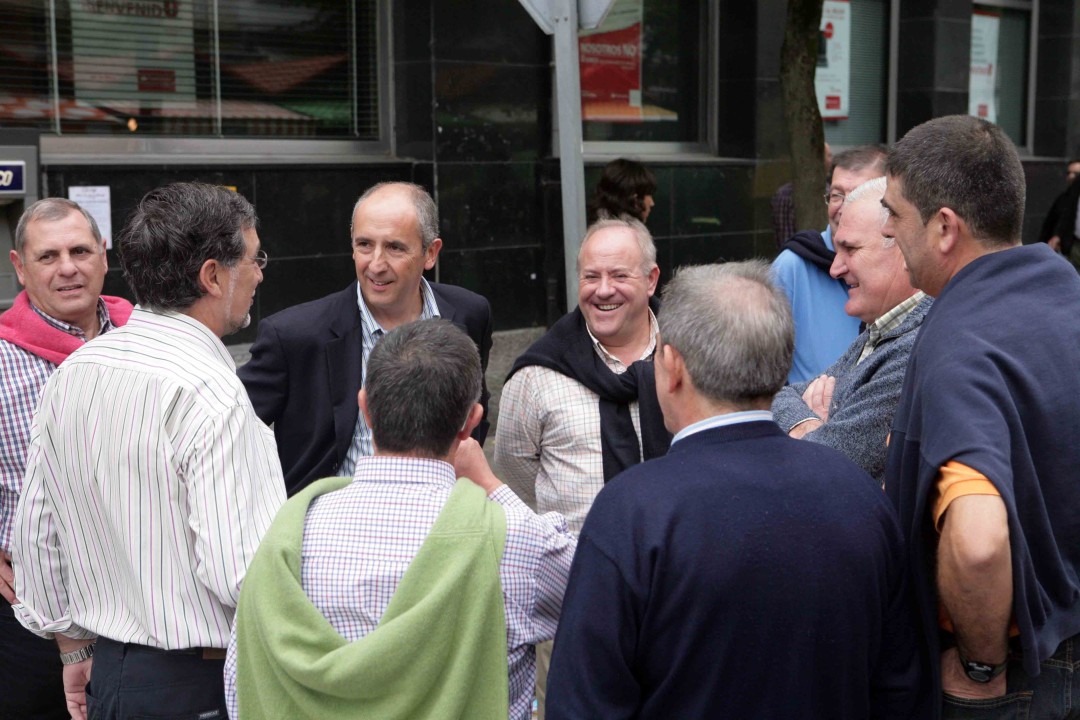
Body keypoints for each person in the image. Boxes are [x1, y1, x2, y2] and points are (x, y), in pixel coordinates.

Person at [546, 261, 926, 719]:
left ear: (672, 366)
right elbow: (901, 688)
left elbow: (582, 703)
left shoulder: (632, 512)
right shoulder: (862, 498)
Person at [10, 183, 286, 720]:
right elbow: (242, 572)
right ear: (212, 276)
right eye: (254, 259)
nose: (258, 274)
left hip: (112, 673)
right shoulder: (211, 390)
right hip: (200, 683)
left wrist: (75, 645)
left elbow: (39, 538)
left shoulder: (76, 370)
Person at [226, 318, 576, 720]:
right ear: (471, 421)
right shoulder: (513, 540)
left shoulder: (286, 539)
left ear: (365, 408)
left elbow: (241, 685)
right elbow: (593, 588)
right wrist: (492, 486)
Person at [882, 115, 1080, 718]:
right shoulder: (1068, 296)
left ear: (945, 227)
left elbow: (977, 544)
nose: (887, 230)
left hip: (1018, 677)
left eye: (894, 213)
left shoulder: (960, 346)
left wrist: (980, 665)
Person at [494, 217, 670, 716]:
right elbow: (516, 473)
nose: (603, 290)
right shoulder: (538, 375)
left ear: (652, 279)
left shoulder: (690, 355)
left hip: (680, 593)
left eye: (619, 275)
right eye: (591, 276)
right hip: (575, 601)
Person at [239, 181, 493, 496]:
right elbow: (230, 430)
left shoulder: (469, 313)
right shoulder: (294, 336)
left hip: (442, 514)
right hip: (333, 520)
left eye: (395, 247)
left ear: (430, 252)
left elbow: (475, 407)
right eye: (364, 245)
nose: (376, 264)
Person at [0, 198, 133, 720]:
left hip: (139, 602)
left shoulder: (148, 341)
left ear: (104, 255)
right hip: (31, 621)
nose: (68, 268)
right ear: (19, 266)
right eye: (48, 256)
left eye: (80, 251)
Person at [771, 177, 931, 483]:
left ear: (903, 247)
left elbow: (829, 465)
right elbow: (779, 396)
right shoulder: (880, 331)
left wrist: (812, 428)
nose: (835, 268)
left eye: (851, 249)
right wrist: (808, 424)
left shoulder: (917, 347)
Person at [773, 144, 886, 383]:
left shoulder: (907, 267)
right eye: (836, 195)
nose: (843, 208)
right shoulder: (792, 267)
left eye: (857, 196)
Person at [771, 141, 832, 248]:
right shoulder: (786, 194)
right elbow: (785, 235)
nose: (831, 160)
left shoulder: (829, 188)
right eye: (829, 156)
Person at [587, 158, 657, 224]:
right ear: (635, 199)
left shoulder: (598, 226)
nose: (652, 203)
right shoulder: (625, 231)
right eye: (648, 194)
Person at [1038, 157, 1080, 253]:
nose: (1071, 177)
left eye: (1076, 174)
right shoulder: (1063, 199)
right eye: (1069, 173)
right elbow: (1050, 225)